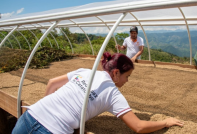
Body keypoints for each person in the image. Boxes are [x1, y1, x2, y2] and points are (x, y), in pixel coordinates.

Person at [12, 52, 184, 134]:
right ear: (116, 73)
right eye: (127, 76)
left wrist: (49, 107)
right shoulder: (113, 94)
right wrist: (165, 122)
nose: (127, 81)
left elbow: (51, 83)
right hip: (53, 130)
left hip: (30, 115)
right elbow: (138, 127)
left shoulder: (86, 71)